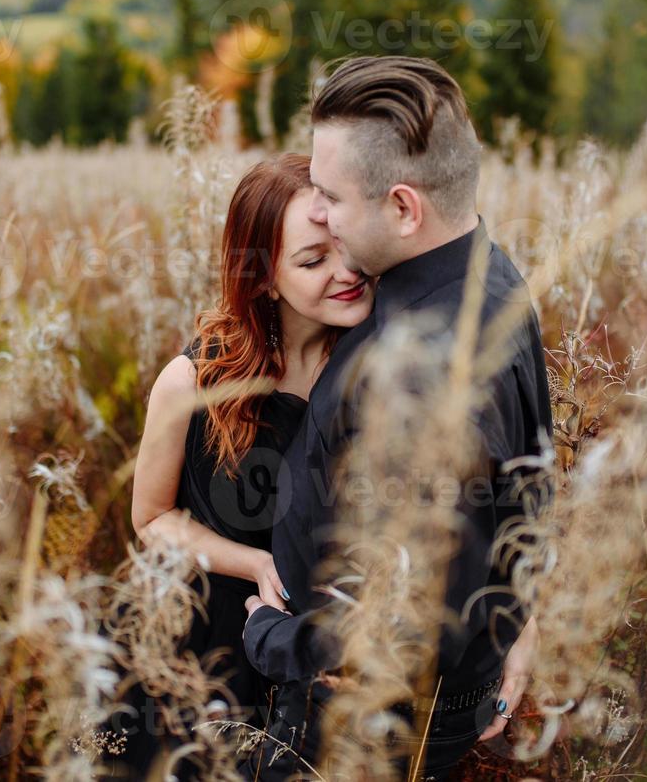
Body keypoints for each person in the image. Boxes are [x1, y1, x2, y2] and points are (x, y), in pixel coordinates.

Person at [241, 56, 553, 781]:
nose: (315, 212)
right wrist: (520, 611)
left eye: (330, 196)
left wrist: (275, 640)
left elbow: (417, 621)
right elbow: (519, 492)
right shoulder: (484, 271)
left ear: (404, 208)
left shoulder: (420, 373)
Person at [107, 152, 373, 778]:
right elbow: (151, 518)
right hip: (206, 644)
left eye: (348, 246)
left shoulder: (378, 363)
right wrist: (256, 563)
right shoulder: (193, 383)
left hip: (325, 654)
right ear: (262, 278)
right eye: (313, 260)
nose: (347, 271)